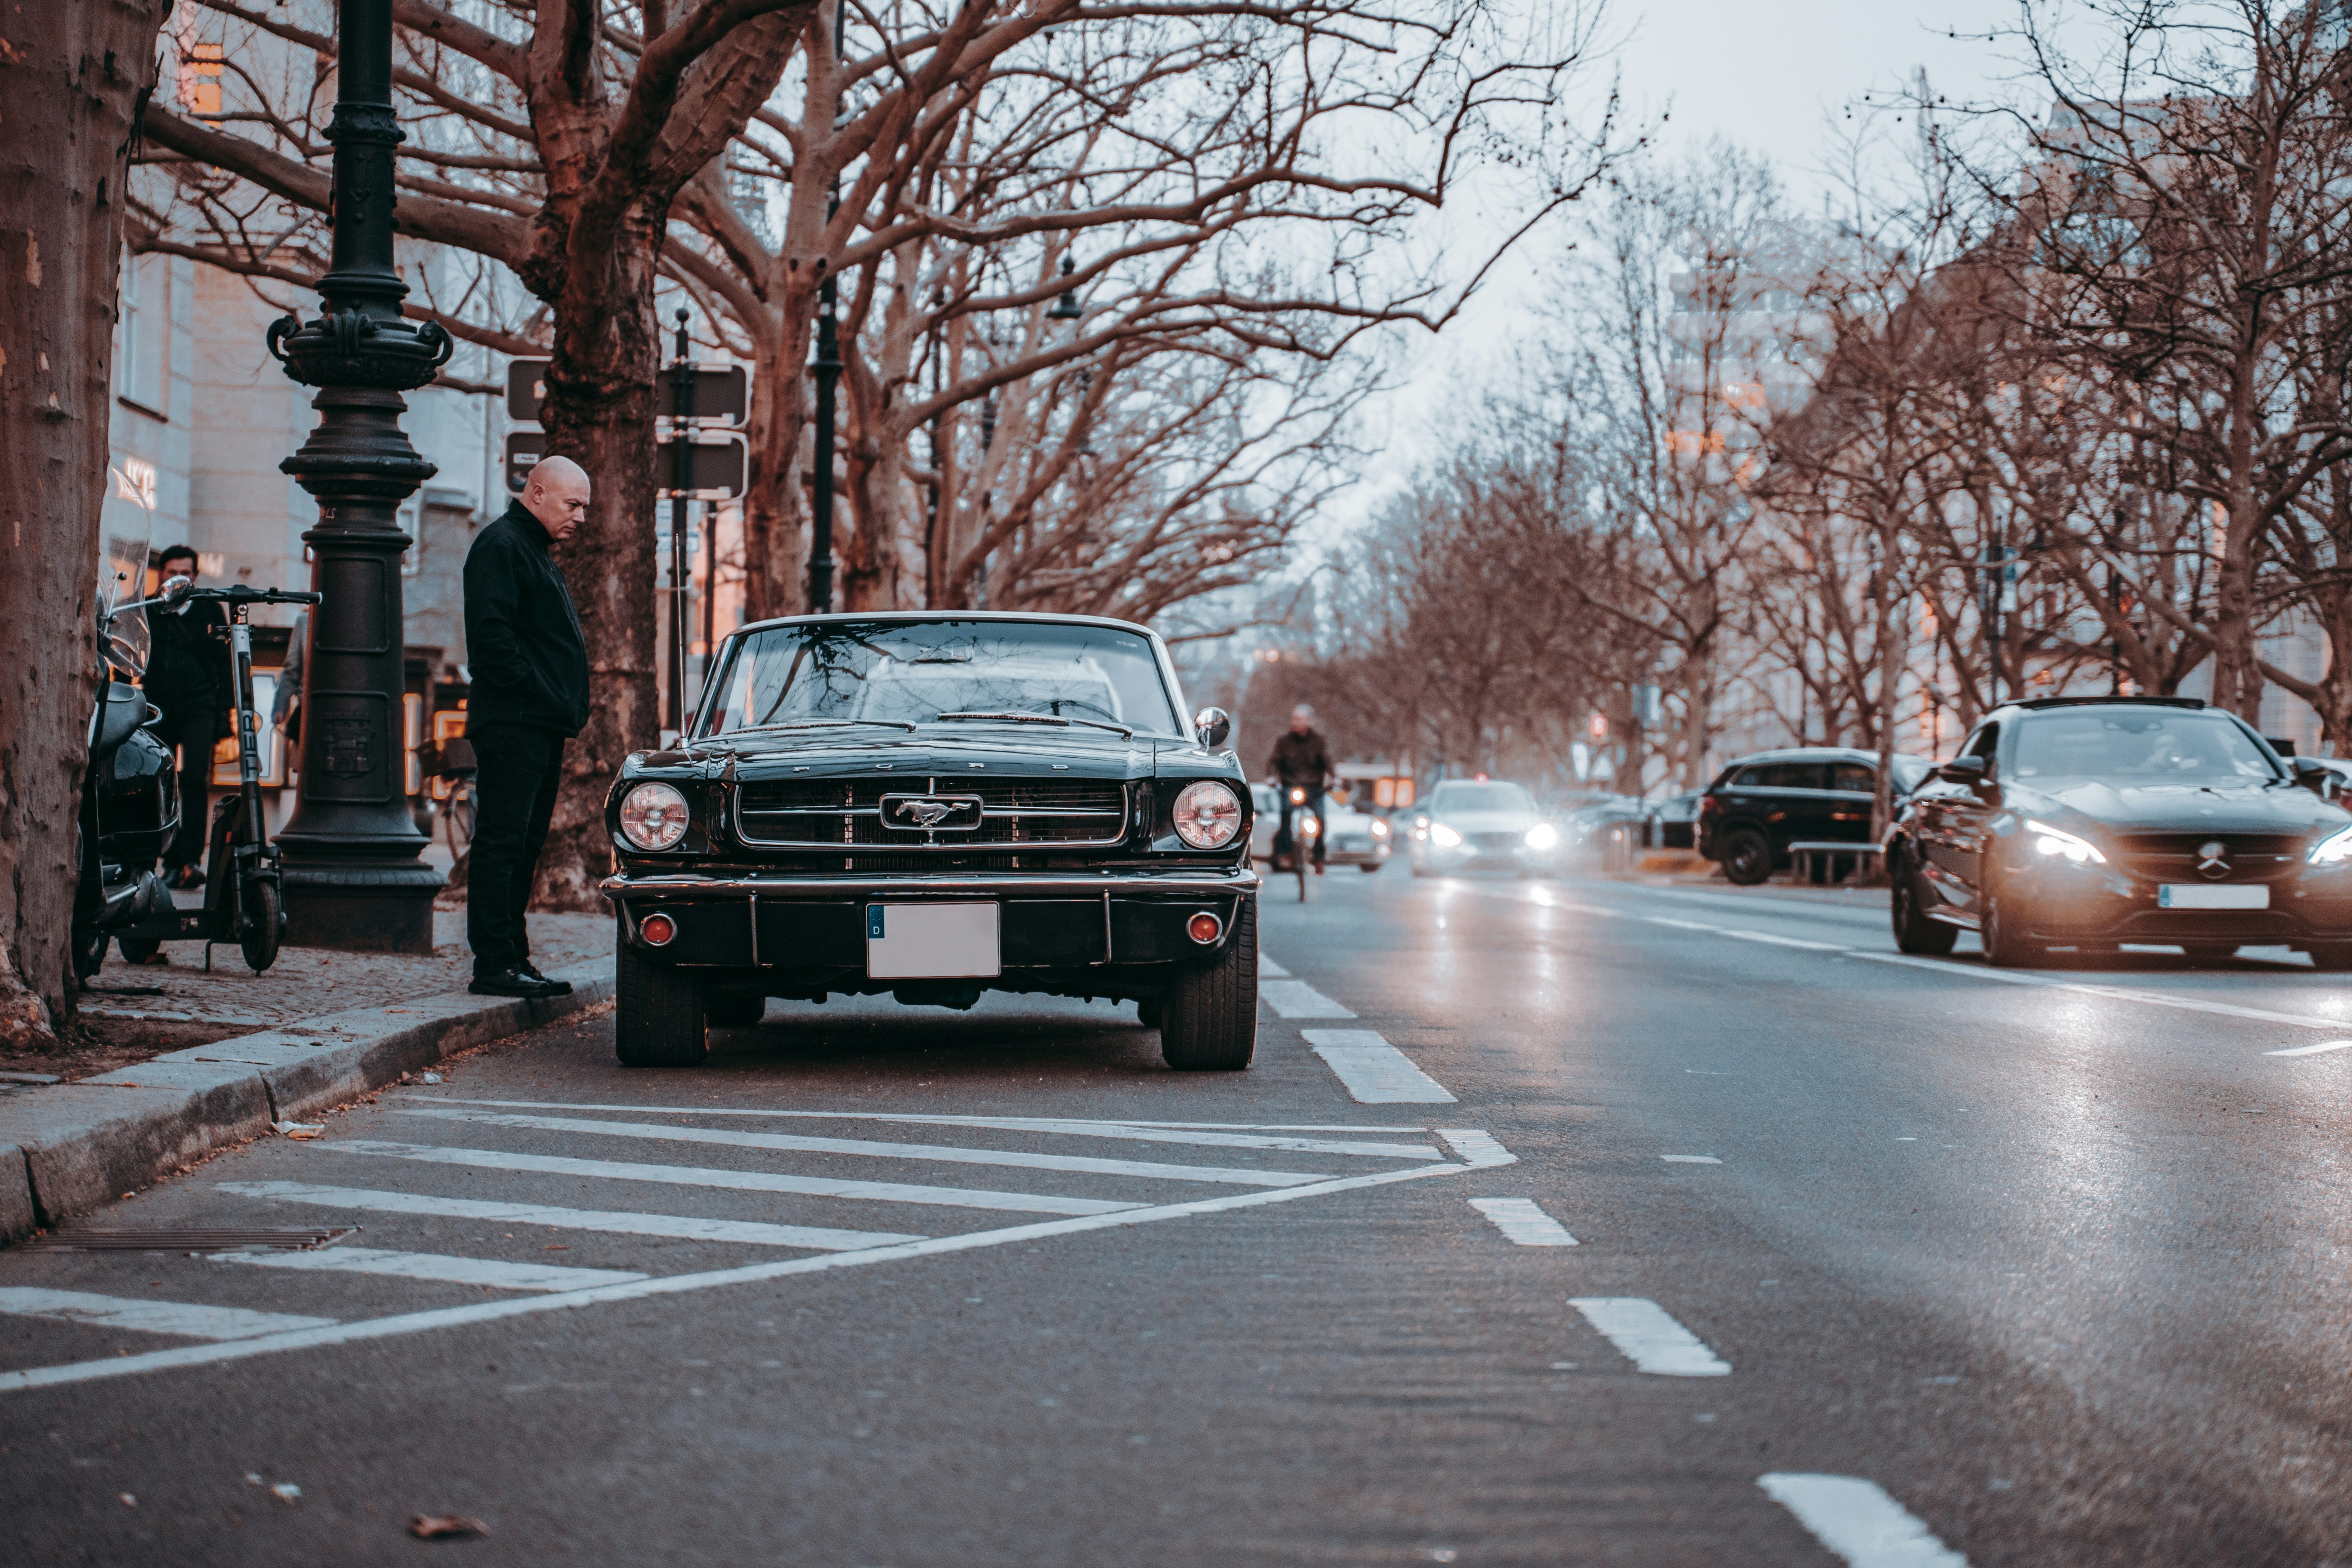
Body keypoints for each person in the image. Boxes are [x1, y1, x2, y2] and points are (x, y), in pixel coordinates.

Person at [462, 456, 592, 998]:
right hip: (516, 720)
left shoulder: (528, 549)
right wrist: (545, 694)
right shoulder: (502, 545)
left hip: (535, 722)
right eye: (573, 504)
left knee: (524, 844)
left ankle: (511, 957)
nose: (581, 518)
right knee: (503, 841)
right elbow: (492, 643)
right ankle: (494, 963)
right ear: (536, 493)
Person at [144, 544, 230, 889]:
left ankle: (191, 860)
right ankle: (162, 860)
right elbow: (129, 655)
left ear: (195, 576)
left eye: (186, 573)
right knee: (158, 783)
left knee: (195, 781)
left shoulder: (210, 608)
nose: (178, 578)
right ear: (161, 574)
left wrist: (226, 714)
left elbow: (223, 664)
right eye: (171, 572)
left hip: (199, 705)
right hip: (158, 706)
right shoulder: (149, 608)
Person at [1266, 703, 1333, 874]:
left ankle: (1319, 858)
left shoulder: (1319, 741)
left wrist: (1336, 777)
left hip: (1314, 789)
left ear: (1309, 722)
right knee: (1286, 815)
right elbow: (1274, 761)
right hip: (1291, 787)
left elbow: (1327, 761)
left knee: (1321, 820)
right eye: (1294, 719)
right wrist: (1272, 776)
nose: (1296, 723)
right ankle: (1286, 852)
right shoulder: (1283, 742)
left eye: (1300, 719)